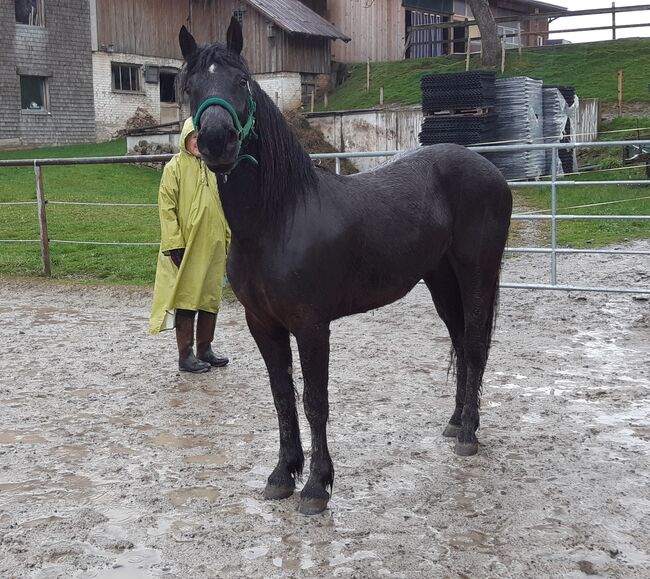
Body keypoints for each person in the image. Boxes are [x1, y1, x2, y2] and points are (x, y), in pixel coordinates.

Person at [149, 117, 231, 373]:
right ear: (185, 139)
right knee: (187, 298)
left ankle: (205, 348)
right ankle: (186, 354)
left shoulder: (214, 168)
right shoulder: (174, 168)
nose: (197, 142)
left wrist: (229, 236)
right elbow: (167, 208)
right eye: (193, 137)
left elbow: (225, 205)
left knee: (209, 297)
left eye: (201, 137)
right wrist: (175, 244)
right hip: (187, 247)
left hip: (214, 244)